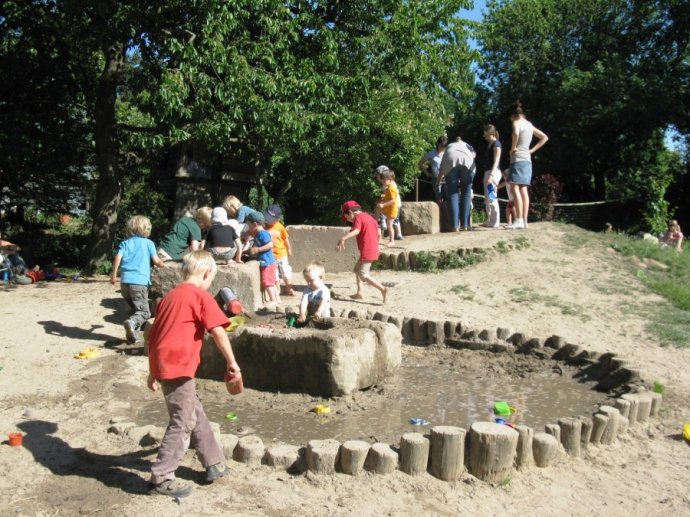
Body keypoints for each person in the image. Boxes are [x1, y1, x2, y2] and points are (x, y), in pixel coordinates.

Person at [146, 250, 241, 499]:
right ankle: (162, 476)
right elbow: (218, 332)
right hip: (179, 365)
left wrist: (151, 371)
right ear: (207, 273)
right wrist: (232, 362)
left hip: (166, 365)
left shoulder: (169, 298)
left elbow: (152, 336)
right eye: (212, 278)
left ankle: (214, 462)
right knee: (183, 420)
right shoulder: (200, 296)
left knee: (193, 410)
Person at [110, 215, 165, 344]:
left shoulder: (125, 243)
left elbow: (118, 258)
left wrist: (114, 275)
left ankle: (132, 332)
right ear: (146, 229)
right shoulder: (149, 243)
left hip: (125, 282)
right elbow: (156, 261)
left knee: (135, 308)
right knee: (145, 311)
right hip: (139, 282)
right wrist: (163, 264)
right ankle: (132, 323)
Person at [506, 101, 549, 229]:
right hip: (527, 160)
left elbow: (515, 133)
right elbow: (544, 137)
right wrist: (531, 150)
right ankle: (524, 221)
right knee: (523, 189)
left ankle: (518, 219)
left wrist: (512, 148)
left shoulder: (516, 123)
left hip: (517, 159)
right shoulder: (529, 124)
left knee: (514, 188)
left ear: (513, 115)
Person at [336, 200, 388, 303]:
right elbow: (378, 233)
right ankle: (360, 292)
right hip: (372, 249)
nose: (348, 220)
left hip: (367, 250)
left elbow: (356, 231)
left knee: (363, 274)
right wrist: (375, 244)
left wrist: (343, 239)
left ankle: (383, 289)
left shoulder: (358, 218)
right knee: (356, 270)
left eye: (346, 217)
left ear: (350, 212)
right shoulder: (370, 217)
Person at [436, 136, 476, 231]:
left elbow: (442, 165)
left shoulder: (450, 146)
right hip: (468, 164)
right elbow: (474, 155)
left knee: (453, 195)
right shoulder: (468, 146)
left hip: (450, 162)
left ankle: (454, 226)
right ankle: (465, 225)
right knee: (466, 194)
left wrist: (438, 180)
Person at [245, 211, 280, 305]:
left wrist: (258, 249)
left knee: (267, 282)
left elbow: (270, 244)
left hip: (267, 262)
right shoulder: (258, 234)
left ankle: (273, 300)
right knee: (271, 281)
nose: (248, 227)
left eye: (249, 225)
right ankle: (277, 299)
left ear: (255, 224)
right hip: (267, 262)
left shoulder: (263, 234)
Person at [263, 203, 296, 296]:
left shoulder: (279, 226)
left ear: (278, 219)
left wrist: (289, 249)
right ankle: (277, 290)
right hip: (271, 256)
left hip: (281, 254)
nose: (268, 221)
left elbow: (285, 238)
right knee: (275, 274)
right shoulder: (263, 227)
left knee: (285, 272)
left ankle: (289, 288)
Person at [374, 165, 403, 241]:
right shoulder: (385, 185)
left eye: (379, 176)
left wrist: (383, 203)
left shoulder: (390, 185)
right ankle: (398, 234)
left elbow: (392, 198)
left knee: (393, 220)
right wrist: (381, 199)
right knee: (394, 220)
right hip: (390, 204)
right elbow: (384, 194)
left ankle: (396, 235)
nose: (378, 178)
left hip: (393, 205)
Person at [482, 125, 503, 228]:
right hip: (488, 172)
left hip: (493, 172)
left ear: (492, 134)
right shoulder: (490, 144)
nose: (484, 137)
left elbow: (496, 161)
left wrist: (491, 176)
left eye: (486, 135)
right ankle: (489, 219)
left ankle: (495, 222)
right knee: (487, 198)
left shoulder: (497, 144)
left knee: (491, 196)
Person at [418, 136, 448, 202]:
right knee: (439, 199)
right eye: (441, 146)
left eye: (443, 147)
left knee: (448, 198)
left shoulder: (447, 153)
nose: (442, 148)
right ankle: (440, 211)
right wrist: (427, 173)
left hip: (446, 178)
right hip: (436, 178)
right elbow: (420, 163)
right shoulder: (431, 153)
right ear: (437, 144)